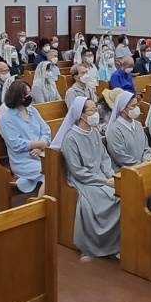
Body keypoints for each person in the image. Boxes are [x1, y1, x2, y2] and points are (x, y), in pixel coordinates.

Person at [52, 96, 121, 260]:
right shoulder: (71, 138)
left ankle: (116, 244)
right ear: (81, 115)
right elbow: (77, 171)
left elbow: (104, 158)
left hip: (100, 177)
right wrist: (104, 181)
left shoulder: (95, 132)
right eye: (92, 111)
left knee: (122, 194)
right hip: (83, 181)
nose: (96, 113)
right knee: (112, 199)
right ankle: (97, 246)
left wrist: (109, 175)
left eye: (96, 109)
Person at [0, 80, 53, 195]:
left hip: (42, 153)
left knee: (61, 168)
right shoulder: (6, 117)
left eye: (30, 92)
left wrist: (41, 147)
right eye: (26, 94)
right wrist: (39, 144)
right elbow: (15, 144)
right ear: (17, 96)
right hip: (23, 161)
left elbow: (46, 131)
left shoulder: (32, 110)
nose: (30, 96)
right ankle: (42, 203)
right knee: (51, 172)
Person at [105, 90, 151, 169]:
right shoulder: (114, 130)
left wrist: (146, 160)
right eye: (133, 106)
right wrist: (139, 165)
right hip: (127, 171)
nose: (136, 108)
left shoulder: (138, 125)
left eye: (137, 105)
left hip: (145, 167)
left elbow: (146, 147)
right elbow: (119, 155)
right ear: (123, 108)